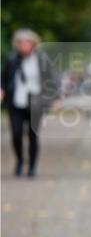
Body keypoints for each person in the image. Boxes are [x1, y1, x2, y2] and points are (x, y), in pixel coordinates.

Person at [1, 29, 59, 177]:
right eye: (21, 43)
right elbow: (4, 77)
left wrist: (55, 97)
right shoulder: (12, 59)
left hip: (35, 102)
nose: (24, 45)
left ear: (33, 44)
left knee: (33, 135)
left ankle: (32, 167)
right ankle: (20, 161)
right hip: (16, 102)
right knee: (16, 133)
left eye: (27, 42)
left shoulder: (41, 59)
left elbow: (52, 79)